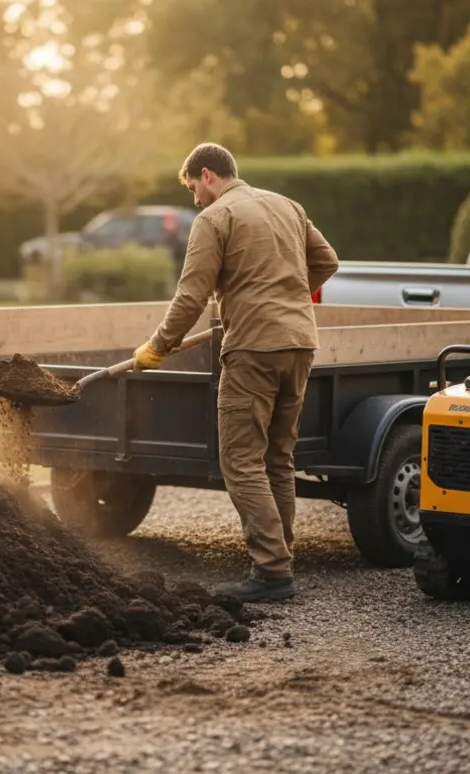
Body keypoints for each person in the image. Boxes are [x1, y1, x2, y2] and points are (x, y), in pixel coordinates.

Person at [131, 142, 339, 602]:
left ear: (207, 175)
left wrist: (156, 347)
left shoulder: (215, 217)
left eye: (192, 189)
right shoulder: (287, 205)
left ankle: (271, 571)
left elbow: (191, 297)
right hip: (300, 344)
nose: (194, 200)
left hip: (254, 349)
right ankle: (281, 558)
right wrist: (283, 298)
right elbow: (327, 261)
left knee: (241, 463)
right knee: (277, 459)